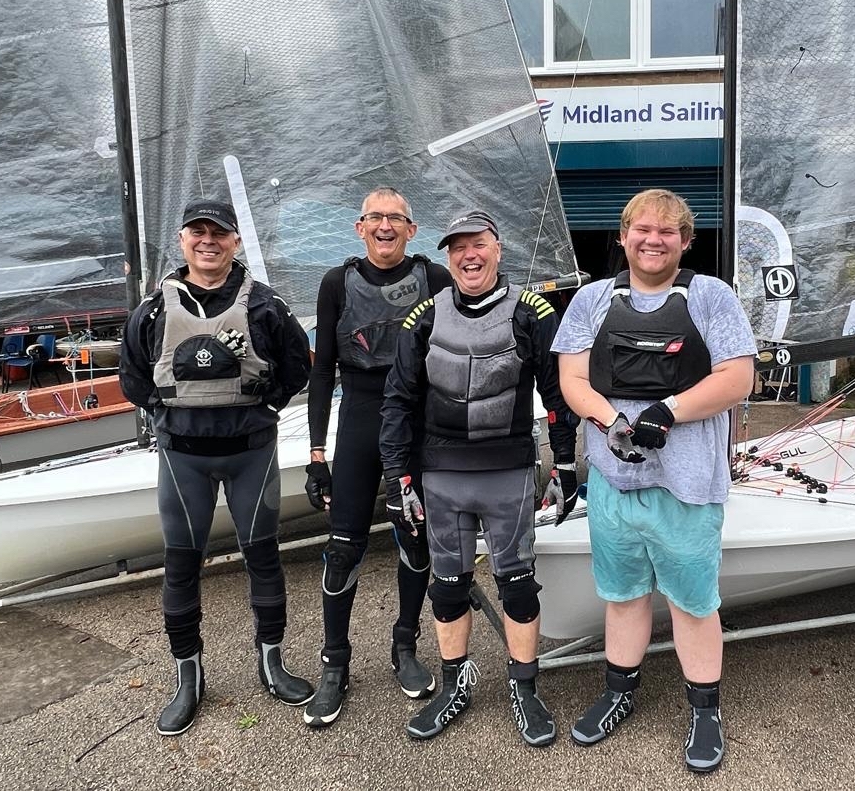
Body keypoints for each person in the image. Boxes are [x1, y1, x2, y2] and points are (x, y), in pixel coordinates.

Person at [551, 189, 757, 773]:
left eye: (668, 231)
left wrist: (667, 411)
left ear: (685, 242)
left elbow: (737, 377)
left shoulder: (711, 297)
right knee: (623, 597)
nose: (653, 239)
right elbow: (572, 378)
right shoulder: (592, 300)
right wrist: (611, 420)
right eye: (642, 229)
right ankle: (619, 692)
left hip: (686, 487)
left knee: (693, 604)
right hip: (613, 485)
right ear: (622, 237)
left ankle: (705, 710)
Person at [380, 210, 580, 746]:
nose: (469, 255)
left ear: (497, 248)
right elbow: (398, 400)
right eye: (458, 247)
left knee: (517, 585)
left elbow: (557, 394)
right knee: (447, 588)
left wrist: (564, 464)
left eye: (479, 244)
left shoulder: (533, 311)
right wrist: (397, 477)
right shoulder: (424, 316)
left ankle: (525, 688)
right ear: (448, 257)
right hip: (441, 474)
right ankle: (454, 685)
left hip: (506, 472)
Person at [119, 199, 315, 737]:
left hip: (251, 452)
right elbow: (133, 376)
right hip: (184, 458)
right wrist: (168, 414)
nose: (208, 241)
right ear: (183, 240)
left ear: (235, 241)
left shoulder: (266, 306)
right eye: (198, 232)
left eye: (219, 233)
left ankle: (272, 664)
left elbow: (297, 366)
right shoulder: (154, 309)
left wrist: (266, 404)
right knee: (181, 566)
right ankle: (188, 677)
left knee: (264, 559)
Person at [302, 187, 451, 727]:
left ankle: (405, 645)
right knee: (343, 549)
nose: (385, 226)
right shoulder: (336, 283)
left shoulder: (435, 278)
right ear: (360, 227)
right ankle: (334, 664)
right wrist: (317, 454)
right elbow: (322, 371)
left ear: (412, 230)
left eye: (396, 218)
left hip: (415, 422)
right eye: (375, 217)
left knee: (414, 537)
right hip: (360, 421)